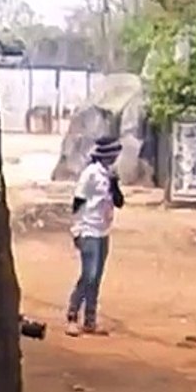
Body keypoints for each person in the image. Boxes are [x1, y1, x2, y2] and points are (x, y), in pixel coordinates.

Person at [66, 136, 124, 337]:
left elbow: (119, 202)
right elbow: (78, 201)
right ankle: (72, 315)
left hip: (103, 230)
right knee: (88, 274)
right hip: (88, 229)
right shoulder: (90, 174)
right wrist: (77, 229)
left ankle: (90, 320)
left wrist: (114, 183)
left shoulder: (110, 174)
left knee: (97, 277)